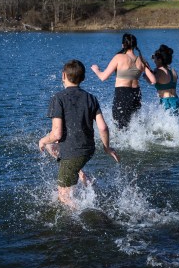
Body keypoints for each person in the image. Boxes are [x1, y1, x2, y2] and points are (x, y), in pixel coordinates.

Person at [38, 60, 119, 208]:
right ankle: (81, 175)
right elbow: (103, 127)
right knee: (53, 147)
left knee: (63, 197)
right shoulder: (91, 98)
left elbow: (56, 133)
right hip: (88, 149)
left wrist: (43, 140)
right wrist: (107, 147)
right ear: (83, 78)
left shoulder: (58, 98)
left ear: (63, 75)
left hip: (73, 152)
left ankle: (87, 215)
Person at [91, 33, 155, 128]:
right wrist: (143, 75)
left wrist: (96, 70)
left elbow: (103, 77)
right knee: (134, 125)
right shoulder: (142, 60)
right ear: (135, 45)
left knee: (120, 126)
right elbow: (153, 80)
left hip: (122, 94)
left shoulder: (119, 57)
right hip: (136, 94)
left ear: (123, 45)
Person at [152, 44, 179, 115]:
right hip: (176, 101)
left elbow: (151, 81)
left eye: (154, 58)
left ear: (159, 60)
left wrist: (145, 72)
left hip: (166, 102)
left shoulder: (158, 71)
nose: (153, 60)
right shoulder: (173, 71)